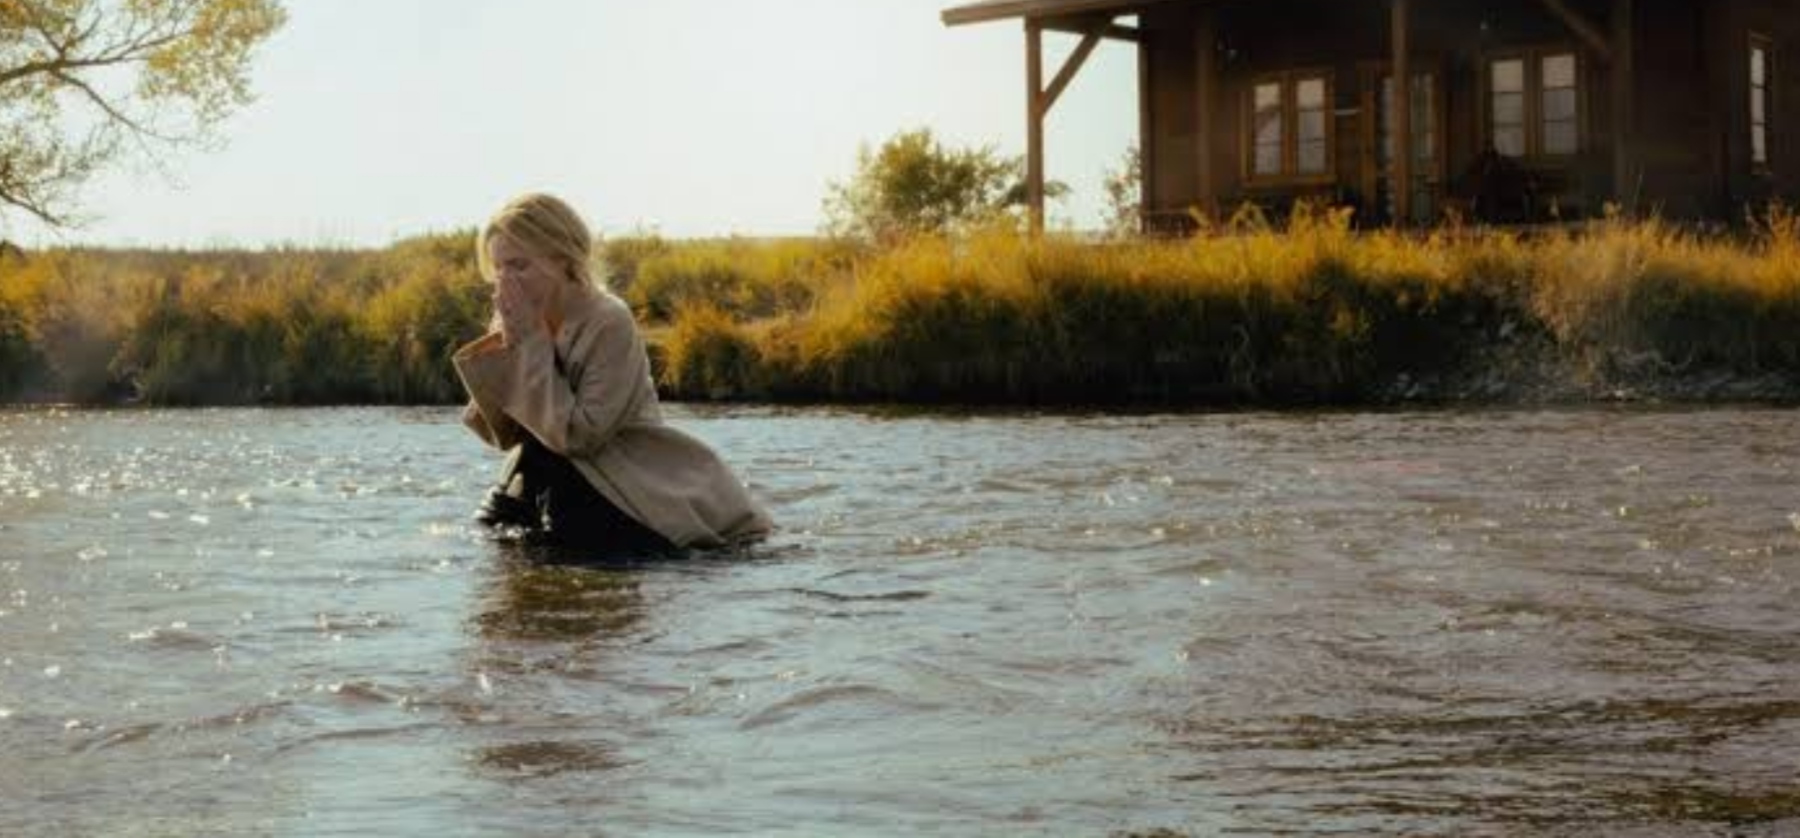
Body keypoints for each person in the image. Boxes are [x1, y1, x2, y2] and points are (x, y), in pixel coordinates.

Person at [453, 192, 772, 552]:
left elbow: (580, 437)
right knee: (490, 539)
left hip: (622, 476)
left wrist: (531, 346)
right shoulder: (520, 318)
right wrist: (507, 347)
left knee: (572, 545)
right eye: (499, 269)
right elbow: (501, 433)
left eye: (519, 266)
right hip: (542, 466)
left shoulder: (608, 320)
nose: (507, 282)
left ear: (562, 259)